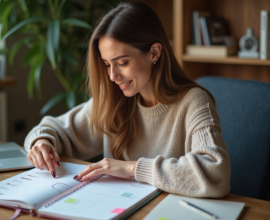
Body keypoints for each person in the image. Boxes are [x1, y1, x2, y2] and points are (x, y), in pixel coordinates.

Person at [24, 1, 230, 198]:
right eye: (107, 64)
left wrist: (132, 168)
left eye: (122, 62)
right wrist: (42, 141)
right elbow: (53, 128)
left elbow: (215, 173)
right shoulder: (113, 99)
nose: (113, 76)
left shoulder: (194, 102)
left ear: (154, 53)